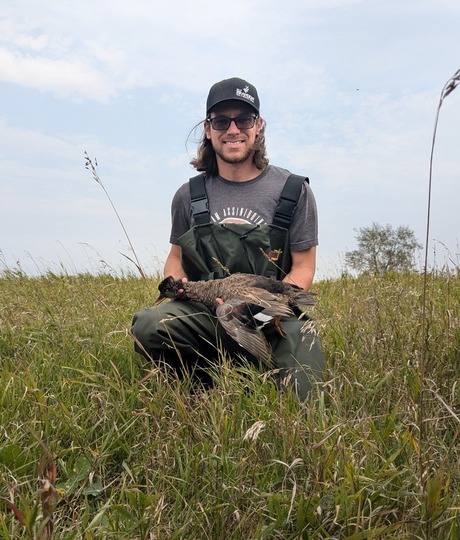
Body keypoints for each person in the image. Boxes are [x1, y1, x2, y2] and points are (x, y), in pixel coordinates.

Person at [131, 77, 325, 399]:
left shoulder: (293, 191)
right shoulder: (188, 195)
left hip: (271, 314)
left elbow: (303, 268)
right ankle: (201, 382)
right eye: (221, 121)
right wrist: (181, 287)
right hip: (208, 313)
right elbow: (176, 258)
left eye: (243, 119)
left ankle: (260, 372)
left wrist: (259, 311)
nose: (232, 129)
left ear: (258, 125)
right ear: (208, 129)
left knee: (306, 388)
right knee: (149, 325)